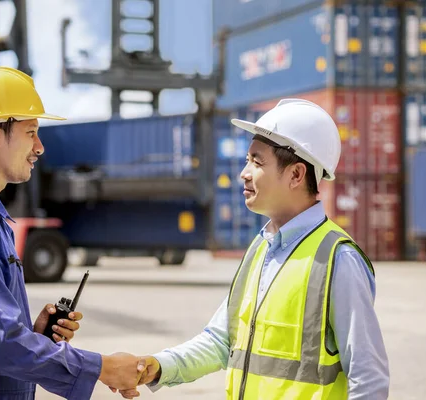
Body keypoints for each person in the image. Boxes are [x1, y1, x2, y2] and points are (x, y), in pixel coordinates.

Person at [114, 99, 390, 399]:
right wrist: (156, 366)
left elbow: (369, 380)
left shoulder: (338, 259)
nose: (244, 173)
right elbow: (222, 341)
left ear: (296, 175)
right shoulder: (261, 247)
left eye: (257, 162)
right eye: (247, 160)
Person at [0, 66, 145, 400]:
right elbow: (1, 346)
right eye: (30, 131)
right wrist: (104, 367)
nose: (40, 147)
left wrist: (34, 337)